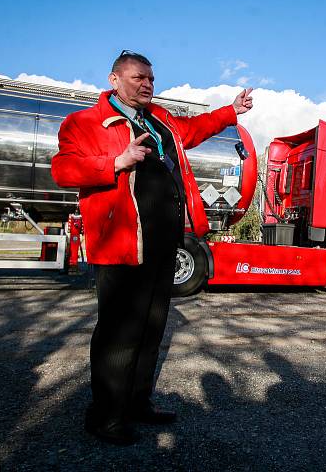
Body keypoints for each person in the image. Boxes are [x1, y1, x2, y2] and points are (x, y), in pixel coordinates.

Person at [51, 51, 253, 445]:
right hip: (122, 243)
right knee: (119, 333)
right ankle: (106, 416)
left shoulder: (159, 118)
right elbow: (62, 169)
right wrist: (115, 161)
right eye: (138, 77)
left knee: (150, 329)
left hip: (163, 243)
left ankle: (137, 403)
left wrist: (230, 112)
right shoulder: (84, 123)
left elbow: (193, 131)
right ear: (114, 80)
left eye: (151, 78)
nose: (147, 84)